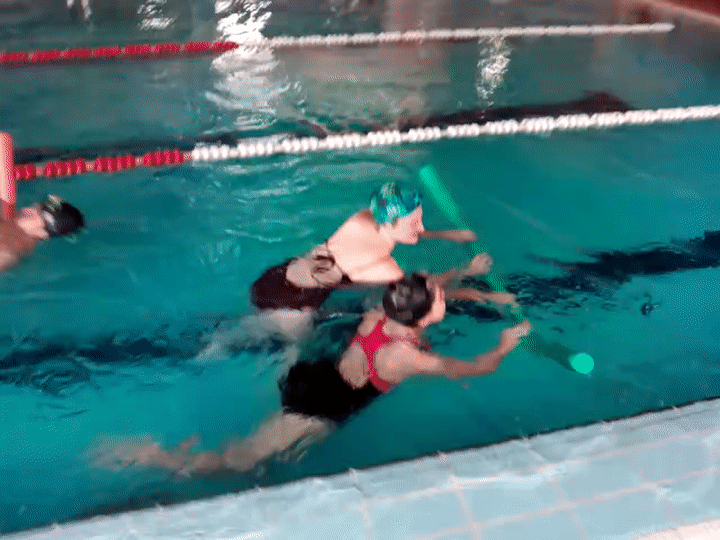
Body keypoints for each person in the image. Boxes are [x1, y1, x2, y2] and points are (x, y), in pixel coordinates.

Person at [109, 273, 531, 475]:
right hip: (317, 409)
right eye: (439, 297)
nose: (444, 296)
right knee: (238, 462)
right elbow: (477, 368)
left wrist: (470, 284)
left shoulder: (379, 315)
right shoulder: (406, 357)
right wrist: (506, 345)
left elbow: (421, 291)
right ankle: (155, 455)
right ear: (422, 316)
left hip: (311, 373)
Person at [250, 181, 506, 341]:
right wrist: (467, 271)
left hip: (278, 275)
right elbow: (423, 293)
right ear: (392, 224)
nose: (421, 227)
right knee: (293, 350)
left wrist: (449, 235)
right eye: (415, 223)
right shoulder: (386, 268)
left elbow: (403, 230)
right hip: (292, 303)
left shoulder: (364, 218)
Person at [0, 195, 85, 272]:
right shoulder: (11, 217)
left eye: (30, 216)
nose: (27, 209)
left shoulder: (10, 249)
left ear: (43, 233)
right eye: (35, 207)